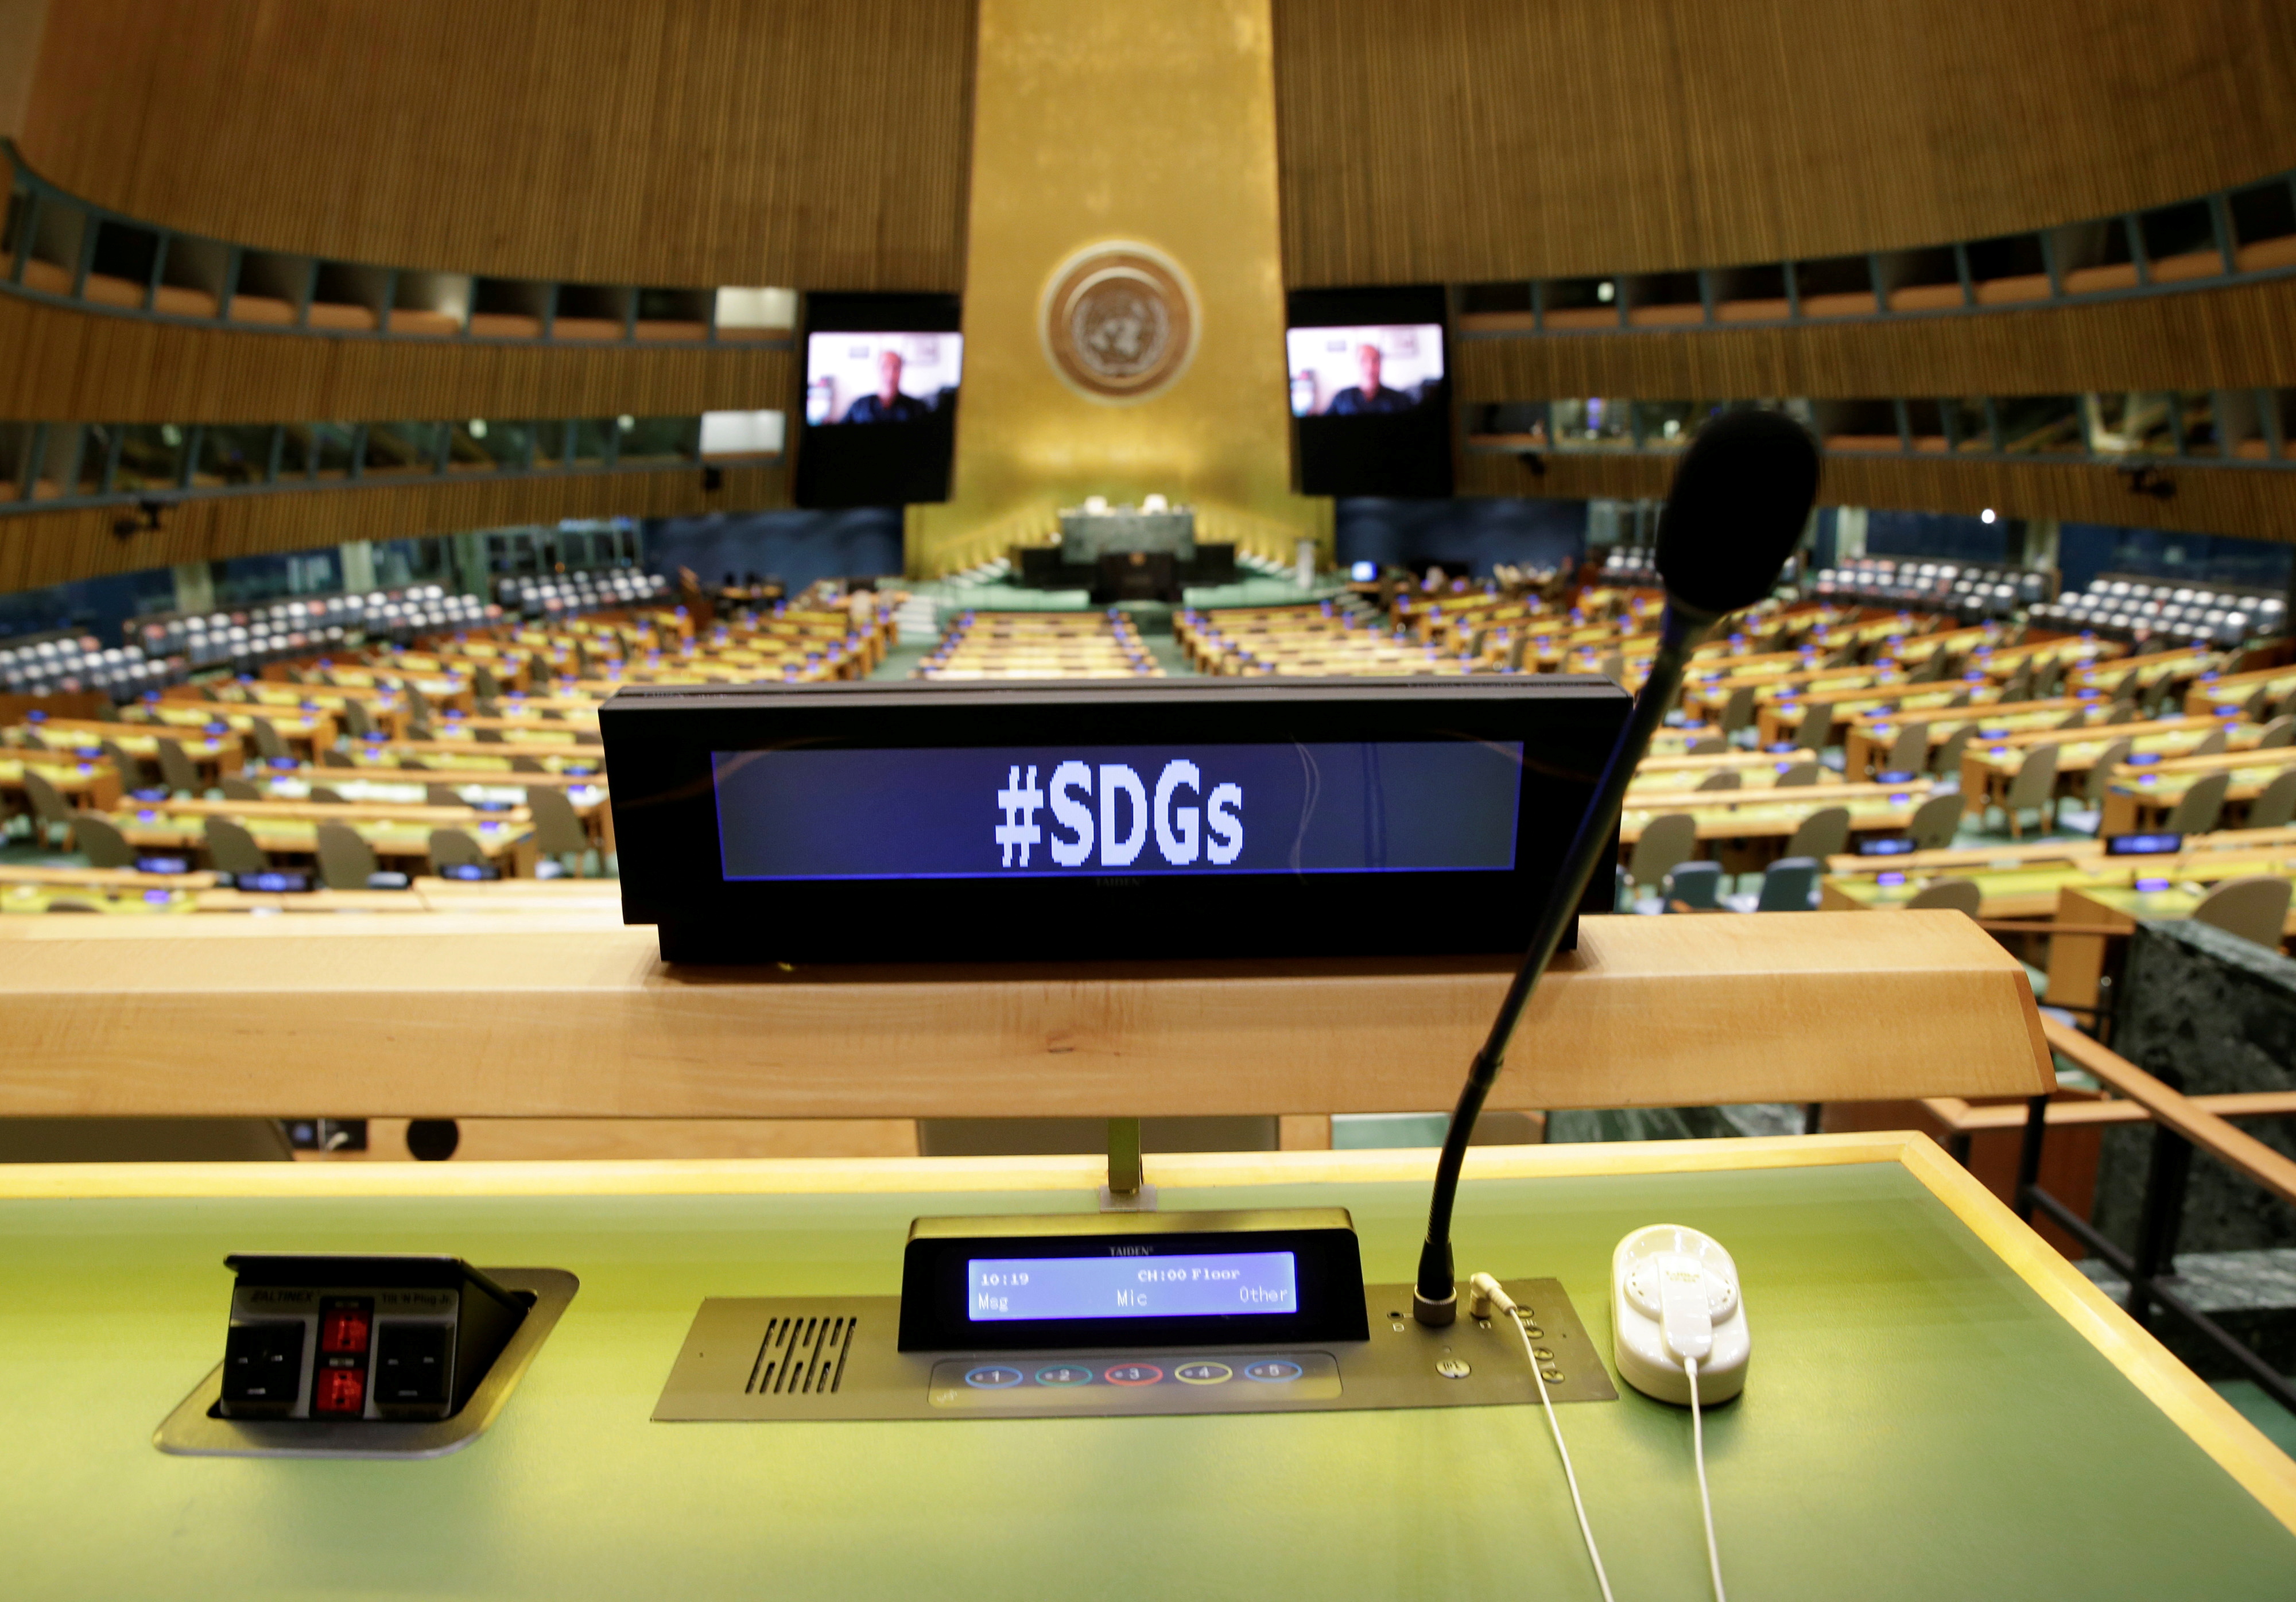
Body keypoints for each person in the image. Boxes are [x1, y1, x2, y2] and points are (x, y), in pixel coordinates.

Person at [843, 348, 932, 423]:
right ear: (876, 370)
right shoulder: (859, 406)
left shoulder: (917, 409)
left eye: (896, 368)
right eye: (884, 367)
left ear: (901, 372)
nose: (890, 375)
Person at [1324, 343, 1414, 414]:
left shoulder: (1400, 400)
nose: (1370, 367)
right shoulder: (1342, 398)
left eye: (1375, 360)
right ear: (1356, 365)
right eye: (1363, 360)